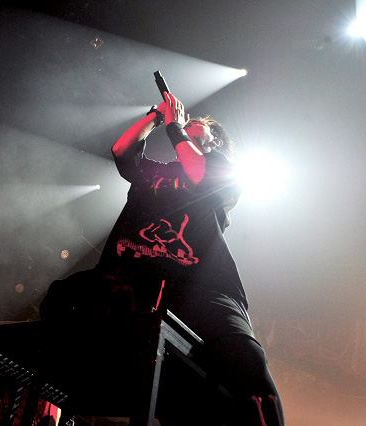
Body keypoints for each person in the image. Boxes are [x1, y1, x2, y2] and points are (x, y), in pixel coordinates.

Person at [40, 92, 284, 425]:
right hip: (134, 278)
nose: (189, 123)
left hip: (202, 284)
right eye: (187, 123)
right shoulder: (156, 170)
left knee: (245, 357)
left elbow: (199, 175)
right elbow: (121, 151)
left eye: (200, 125)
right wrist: (156, 117)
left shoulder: (224, 170)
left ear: (216, 141)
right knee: (63, 298)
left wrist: (175, 127)